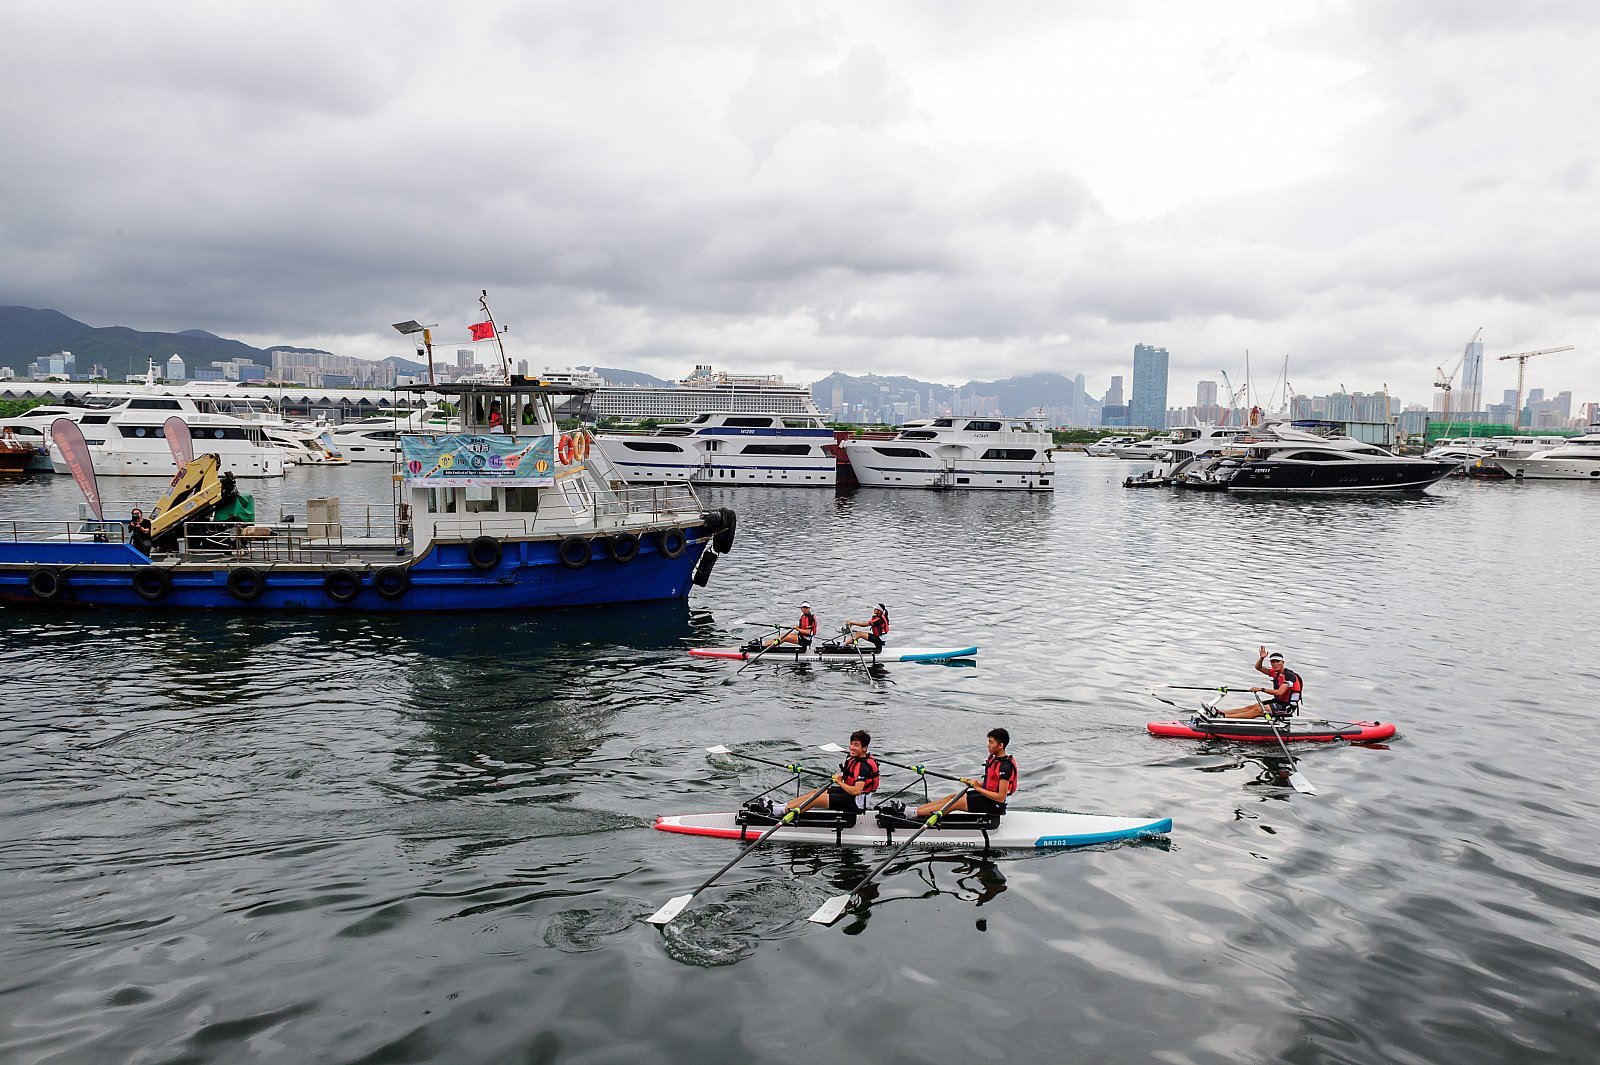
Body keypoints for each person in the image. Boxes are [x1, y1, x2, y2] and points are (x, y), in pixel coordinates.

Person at [884, 729, 1016, 821]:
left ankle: (912, 814)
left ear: (1000, 745)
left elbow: (1000, 797)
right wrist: (973, 783)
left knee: (956, 803)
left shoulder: (1005, 767)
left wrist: (978, 788)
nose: (988, 745)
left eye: (991, 742)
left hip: (996, 805)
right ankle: (913, 810)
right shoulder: (995, 760)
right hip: (989, 798)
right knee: (953, 797)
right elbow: (991, 784)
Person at [754, 730, 879, 819]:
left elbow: (857, 791)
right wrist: (841, 778)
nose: (852, 747)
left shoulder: (864, 766)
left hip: (856, 802)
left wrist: (839, 781)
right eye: (851, 744)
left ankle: (778, 812)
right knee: (814, 792)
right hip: (849, 795)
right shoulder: (856, 758)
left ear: (865, 748)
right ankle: (780, 807)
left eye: (856, 745)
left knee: (815, 799)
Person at [1207, 647, 1303, 719]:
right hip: (1278, 702)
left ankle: (1224, 718)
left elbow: (1280, 692)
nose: (1275, 664)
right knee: (1251, 707)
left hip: (1287, 707)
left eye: (1277, 661)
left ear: (1283, 662)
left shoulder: (1290, 676)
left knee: (1257, 710)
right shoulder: (1276, 673)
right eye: (1272, 662)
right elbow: (1258, 668)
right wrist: (1261, 658)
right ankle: (1221, 714)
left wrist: (1261, 689)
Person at [743, 603, 817, 653]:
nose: (804, 609)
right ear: (801, 608)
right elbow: (802, 630)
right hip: (802, 636)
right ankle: (764, 644)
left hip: (805, 640)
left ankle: (763, 647)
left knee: (784, 638)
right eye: (803, 607)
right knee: (783, 634)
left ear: (809, 608)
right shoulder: (803, 616)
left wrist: (798, 629)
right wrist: (798, 629)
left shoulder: (809, 618)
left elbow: (808, 632)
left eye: (806, 608)